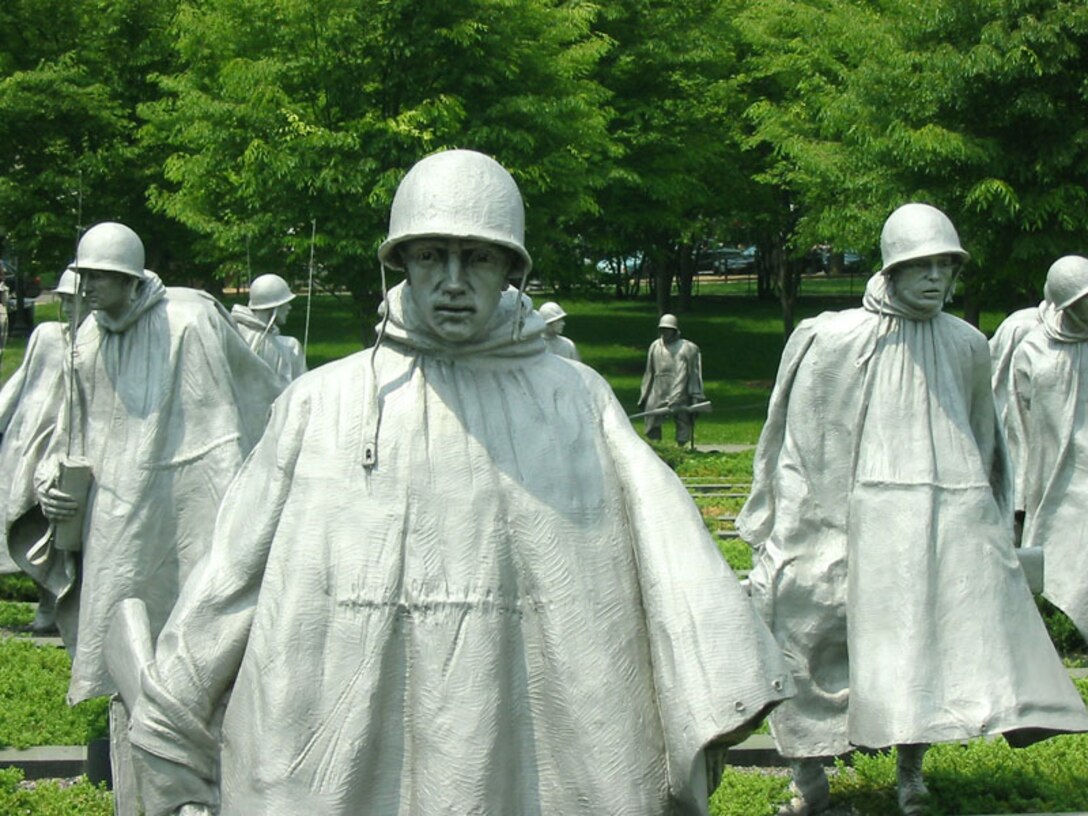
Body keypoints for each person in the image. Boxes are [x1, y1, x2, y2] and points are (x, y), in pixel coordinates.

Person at [125, 149, 793, 816]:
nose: (451, 280)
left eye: (476, 257)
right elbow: (232, 575)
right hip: (347, 742)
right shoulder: (320, 403)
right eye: (430, 255)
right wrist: (174, 710)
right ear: (402, 262)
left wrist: (713, 676)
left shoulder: (574, 400)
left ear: (510, 269)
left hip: (529, 742)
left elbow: (672, 563)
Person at [737, 203, 1088, 816]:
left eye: (944, 267)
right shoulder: (835, 336)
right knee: (807, 632)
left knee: (923, 645)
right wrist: (789, 524)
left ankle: (912, 774)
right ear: (892, 269)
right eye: (919, 266)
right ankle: (807, 776)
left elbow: (986, 440)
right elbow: (800, 438)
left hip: (934, 523)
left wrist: (990, 524)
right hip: (837, 518)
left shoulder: (966, 345)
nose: (933, 279)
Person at [8, 221, 283, 705]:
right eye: (84, 276)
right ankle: (127, 722)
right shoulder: (87, 340)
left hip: (189, 493)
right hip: (113, 503)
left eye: (100, 277)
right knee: (114, 619)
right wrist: (52, 475)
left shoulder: (189, 321)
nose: (87, 288)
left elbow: (232, 415)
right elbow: (70, 427)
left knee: (199, 621)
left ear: (131, 280)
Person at [1007, 255, 1088, 644]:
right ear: (1067, 304)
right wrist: (1019, 492)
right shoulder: (1036, 349)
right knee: (1059, 552)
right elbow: (1018, 422)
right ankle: (1060, 630)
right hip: (1054, 474)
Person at [0, 268, 84, 633]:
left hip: (71, 450)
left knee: (63, 533)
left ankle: (59, 605)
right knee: (26, 520)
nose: (66, 307)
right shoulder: (47, 337)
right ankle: (45, 605)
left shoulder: (103, 343)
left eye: (72, 299)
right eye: (63, 300)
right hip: (31, 443)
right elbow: (22, 380)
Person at [638, 314, 705, 445]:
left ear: (674, 330)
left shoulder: (687, 348)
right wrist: (645, 394)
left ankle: (681, 447)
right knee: (651, 416)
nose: (665, 332)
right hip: (658, 388)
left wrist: (692, 395)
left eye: (668, 329)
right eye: (662, 329)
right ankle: (655, 446)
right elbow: (649, 372)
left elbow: (692, 373)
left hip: (680, 388)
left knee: (683, 419)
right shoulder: (655, 346)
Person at [230, 273, 307, 384]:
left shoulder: (233, 332)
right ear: (274, 307)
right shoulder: (290, 347)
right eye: (285, 303)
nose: (289, 307)